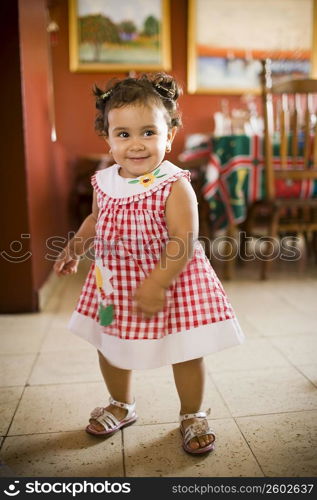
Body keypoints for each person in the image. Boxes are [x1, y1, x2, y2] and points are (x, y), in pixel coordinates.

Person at [54, 73, 244, 455]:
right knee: (108, 344)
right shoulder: (103, 181)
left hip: (171, 282)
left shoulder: (174, 183)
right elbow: (96, 220)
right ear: (107, 138)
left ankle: (192, 414)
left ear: (170, 135)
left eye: (148, 133)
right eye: (122, 135)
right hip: (114, 283)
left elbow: (183, 241)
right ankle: (121, 404)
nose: (136, 144)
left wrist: (157, 283)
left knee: (184, 349)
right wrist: (74, 247)